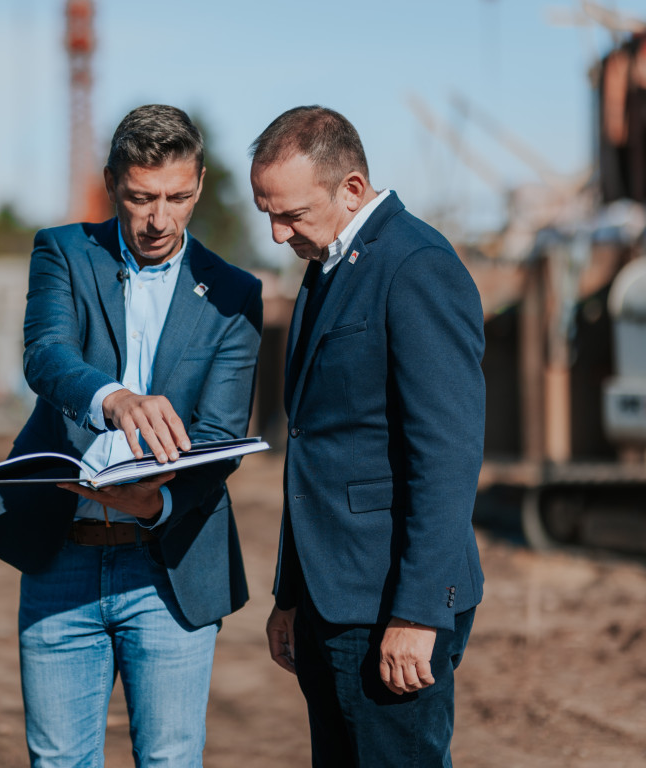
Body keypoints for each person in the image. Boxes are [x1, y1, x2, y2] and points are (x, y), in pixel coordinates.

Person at [0, 104, 263, 767]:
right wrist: (115, 400)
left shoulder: (234, 291)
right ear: (112, 183)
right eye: (140, 198)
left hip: (168, 566)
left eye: (177, 197)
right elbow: (45, 355)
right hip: (61, 560)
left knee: (169, 761)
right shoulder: (64, 252)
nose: (158, 218)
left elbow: (220, 434)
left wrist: (157, 503)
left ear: (199, 185)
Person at [249, 106, 486, 767]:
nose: (276, 233)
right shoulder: (329, 264)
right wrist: (289, 595)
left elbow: (446, 456)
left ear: (351, 188)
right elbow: (318, 447)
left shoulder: (416, 266)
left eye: (290, 213)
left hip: (389, 602)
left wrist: (417, 614)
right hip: (330, 597)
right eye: (267, 212)